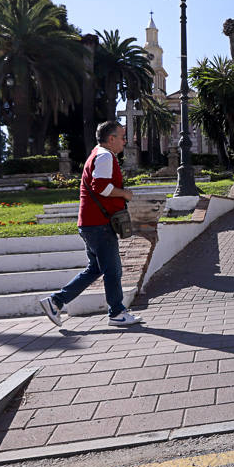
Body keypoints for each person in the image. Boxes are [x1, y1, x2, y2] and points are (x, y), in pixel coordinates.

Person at [38, 120, 142, 328]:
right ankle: (117, 312)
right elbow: (101, 187)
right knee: (113, 270)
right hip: (98, 224)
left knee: (95, 269)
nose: (125, 141)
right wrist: (125, 194)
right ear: (111, 139)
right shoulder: (104, 156)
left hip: (90, 223)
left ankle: (55, 302)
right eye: (122, 137)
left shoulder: (99, 154)